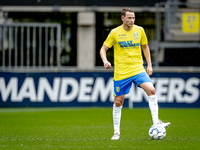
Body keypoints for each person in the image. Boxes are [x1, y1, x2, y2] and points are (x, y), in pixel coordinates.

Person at [99, 7, 170, 140]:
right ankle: (116, 132)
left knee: (152, 90)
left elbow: (145, 47)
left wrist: (149, 65)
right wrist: (105, 61)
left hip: (138, 69)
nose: (132, 20)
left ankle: (156, 122)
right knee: (118, 102)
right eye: (129, 18)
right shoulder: (115, 33)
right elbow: (103, 49)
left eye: (133, 18)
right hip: (121, 72)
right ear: (123, 18)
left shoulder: (140, 30)